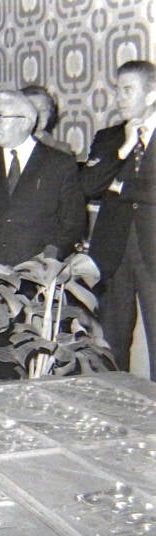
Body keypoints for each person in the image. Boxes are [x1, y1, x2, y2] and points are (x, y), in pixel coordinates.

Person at [84, 60, 156, 376]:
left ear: (151, 94)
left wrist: (121, 186)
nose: (119, 98)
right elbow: (88, 186)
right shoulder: (109, 138)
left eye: (128, 90)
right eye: (117, 90)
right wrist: (123, 150)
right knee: (111, 345)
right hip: (112, 252)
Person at [0, 90, 84, 266]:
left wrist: (50, 257)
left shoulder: (60, 164)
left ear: (25, 122)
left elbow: (72, 223)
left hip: (37, 269)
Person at [21, 85, 73, 154]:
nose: (38, 115)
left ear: (50, 114)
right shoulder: (9, 145)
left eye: (43, 109)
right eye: (32, 108)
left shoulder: (60, 149)